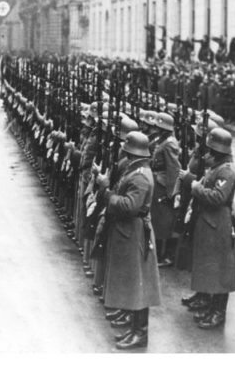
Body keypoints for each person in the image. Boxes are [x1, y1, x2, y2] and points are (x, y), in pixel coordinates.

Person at [95, 131, 161, 349]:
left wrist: (106, 193)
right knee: (133, 282)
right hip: (129, 232)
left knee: (138, 284)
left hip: (134, 232)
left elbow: (129, 206)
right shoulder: (136, 171)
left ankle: (140, 333)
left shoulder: (140, 176)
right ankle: (134, 326)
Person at [179, 128, 235, 329]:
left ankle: (218, 312)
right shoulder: (217, 168)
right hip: (209, 222)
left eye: (209, 152)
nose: (205, 156)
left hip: (219, 224)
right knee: (209, 266)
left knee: (221, 270)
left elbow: (217, 197)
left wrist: (197, 188)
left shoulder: (227, 171)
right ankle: (209, 303)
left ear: (218, 153)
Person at [149, 112, 180, 267]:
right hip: (157, 181)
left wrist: (172, 192)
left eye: (160, 127)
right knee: (158, 219)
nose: (158, 130)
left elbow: (173, 169)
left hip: (163, 185)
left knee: (163, 221)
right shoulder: (163, 141)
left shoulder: (169, 143)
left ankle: (164, 256)